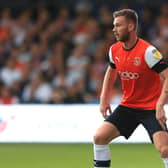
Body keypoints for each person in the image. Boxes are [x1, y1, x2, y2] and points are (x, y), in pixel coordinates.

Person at [93, 9, 168, 168]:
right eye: (114, 26)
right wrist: (104, 98)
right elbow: (111, 72)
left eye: (118, 25)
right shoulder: (114, 50)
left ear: (131, 27)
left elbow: (167, 76)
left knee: (165, 149)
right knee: (99, 137)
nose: (114, 29)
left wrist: (160, 105)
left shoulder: (148, 52)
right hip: (128, 106)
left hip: (150, 108)